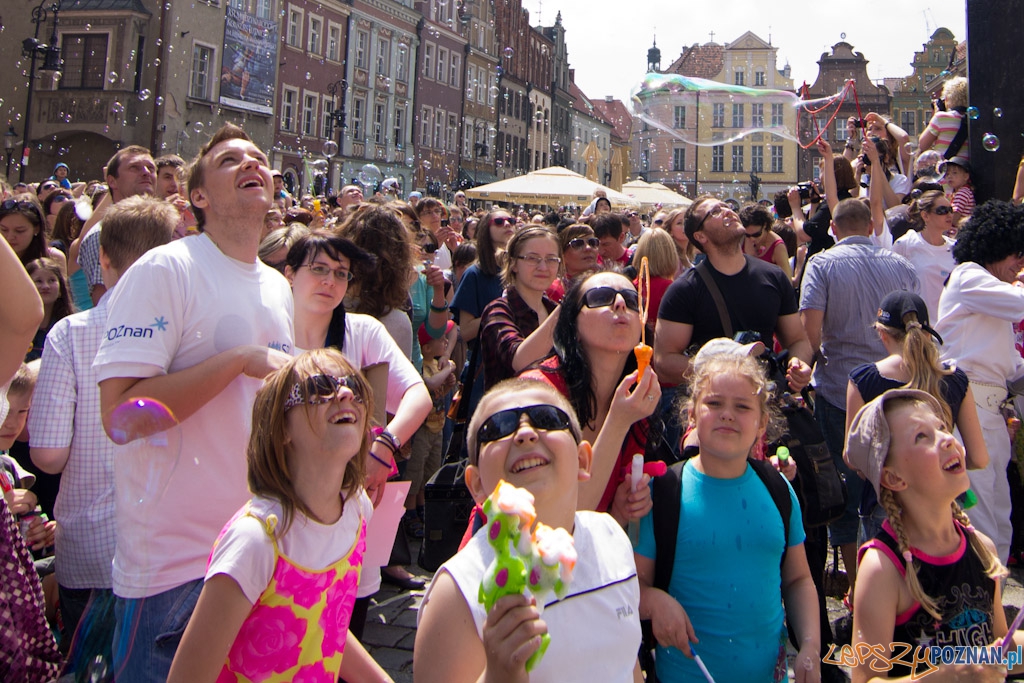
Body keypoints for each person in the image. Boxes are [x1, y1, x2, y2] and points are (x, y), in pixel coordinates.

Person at [94, 124, 294, 680]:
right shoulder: (166, 269)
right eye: (230, 159)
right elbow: (120, 416)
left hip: (256, 556)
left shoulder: (277, 287)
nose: (252, 163)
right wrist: (235, 362)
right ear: (198, 196)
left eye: (259, 157)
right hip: (175, 572)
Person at [168, 349, 392, 682]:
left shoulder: (357, 511)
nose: (345, 394)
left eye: (354, 387)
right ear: (282, 428)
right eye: (320, 388)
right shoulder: (255, 541)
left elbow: (325, 623)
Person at [414, 378, 643, 683]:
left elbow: (626, 665)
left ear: (582, 460)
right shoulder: (457, 592)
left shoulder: (611, 537)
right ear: (477, 484)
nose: (524, 433)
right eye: (498, 428)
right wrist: (498, 675)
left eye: (547, 419)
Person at [28, 195, 175, 666]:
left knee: (89, 664)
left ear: (105, 261)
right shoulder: (187, 332)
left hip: (90, 547)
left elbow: (48, 455)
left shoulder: (70, 333)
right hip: (167, 547)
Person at [635, 352, 820, 683]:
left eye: (743, 407)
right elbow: (633, 588)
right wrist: (657, 603)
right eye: (714, 403)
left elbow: (798, 580)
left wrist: (809, 644)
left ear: (763, 423)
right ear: (691, 414)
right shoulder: (662, 494)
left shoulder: (778, 491)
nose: (728, 416)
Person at [845, 390, 1022, 681]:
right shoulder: (883, 568)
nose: (948, 438)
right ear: (894, 478)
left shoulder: (982, 548)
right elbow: (865, 678)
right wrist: (951, 676)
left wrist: (985, 663)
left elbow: (1001, 647)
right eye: (922, 436)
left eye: (941, 428)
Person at [800, 197, 919, 596]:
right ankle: (903, 578)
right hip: (898, 389)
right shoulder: (901, 265)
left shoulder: (822, 263)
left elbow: (810, 329)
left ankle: (858, 583)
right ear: (871, 226)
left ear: (834, 229)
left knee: (844, 490)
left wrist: (816, 358)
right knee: (898, 485)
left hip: (839, 389)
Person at [845, 290, 988, 543]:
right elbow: (978, 457)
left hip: (884, 505)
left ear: (882, 333)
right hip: (942, 506)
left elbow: (852, 455)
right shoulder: (956, 379)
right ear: (927, 331)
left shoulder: (863, 379)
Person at [521, 271, 660, 525]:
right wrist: (618, 422)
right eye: (600, 297)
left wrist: (620, 510)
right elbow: (559, 522)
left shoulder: (634, 401)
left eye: (631, 300)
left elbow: (599, 526)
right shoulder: (538, 394)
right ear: (572, 324)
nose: (619, 303)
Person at [934, 200, 1024, 564]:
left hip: (991, 418)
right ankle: (986, 613)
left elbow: (1012, 367)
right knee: (983, 524)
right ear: (995, 246)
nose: (1019, 262)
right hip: (971, 415)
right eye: (1017, 253)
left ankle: (994, 613)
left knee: (998, 523)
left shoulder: (987, 291)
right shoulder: (969, 276)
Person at [653, 196, 813, 391]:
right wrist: (725, 371)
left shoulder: (774, 276)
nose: (728, 211)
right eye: (715, 212)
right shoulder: (684, 290)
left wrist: (798, 364)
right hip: (714, 403)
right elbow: (664, 362)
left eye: (726, 206)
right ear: (700, 236)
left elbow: (797, 340)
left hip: (766, 402)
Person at [479, 226, 560, 389]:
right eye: (532, 258)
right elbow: (519, 360)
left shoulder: (552, 308)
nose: (543, 267)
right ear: (513, 264)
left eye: (551, 259)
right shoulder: (498, 311)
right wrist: (565, 311)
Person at [78, 146, 157, 304]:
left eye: (151, 168)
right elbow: (104, 303)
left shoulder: (163, 229)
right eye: (134, 167)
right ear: (112, 181)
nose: (146, 172)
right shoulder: (102, 234)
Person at [452, 209, 515, 344]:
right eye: (498, 222)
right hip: (487, 356)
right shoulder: (474, 274)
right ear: (486, 230)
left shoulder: (521, 269)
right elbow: (466, 331)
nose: (507, 224)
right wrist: (500, 313)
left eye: (511, 221)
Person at [892, 191, 956, 318]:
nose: (949, 215)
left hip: (950, 328)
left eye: (950, 210)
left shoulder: (956, 247)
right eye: (942, 210)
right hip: (920, 327)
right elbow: (894, 287)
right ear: (925, 215)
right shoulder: (905, 244)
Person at [0, 194, 68, 271]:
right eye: (4, 230)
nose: (10, 237)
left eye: (19, 231)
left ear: (36, 229)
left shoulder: (54, 257)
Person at [24, 257, 73, 362]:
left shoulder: (69, 327)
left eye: (51, 280)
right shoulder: (15, 327)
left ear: (60, 290)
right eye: (38, 281)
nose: (45, 286)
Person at [918, 76, 970, 161]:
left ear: (948, 98)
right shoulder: (972, 120)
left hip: (944, 170)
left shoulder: (941, 118)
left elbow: (923, 144)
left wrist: (935, 115)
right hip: (964, 170)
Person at [546, 223, 599, 302]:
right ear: (562, 255)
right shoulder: (555, 291)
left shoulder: (607, 283)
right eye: (577, 244)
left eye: (592, 242)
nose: (588, 248)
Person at [740, 203, 792, 279]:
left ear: (764, 225)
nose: (752, 239)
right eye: (747, 235)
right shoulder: (741, 239)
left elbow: (787, 281)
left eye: (756, 234)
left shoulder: (777, 247)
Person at [940, 156, 974, 227]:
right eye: (947, 174)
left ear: (966, 176)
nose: (949, 176)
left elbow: (954, 217)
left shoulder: (962, 193)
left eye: (954, 173)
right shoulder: (959, 192)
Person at [659, 207, 694, 273]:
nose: (685, 226)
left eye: (687, 222)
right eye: (679, 223)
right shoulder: (672, 259)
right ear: (670, 231)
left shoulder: (686, 255)